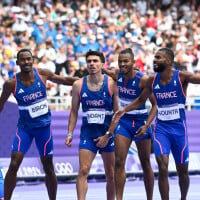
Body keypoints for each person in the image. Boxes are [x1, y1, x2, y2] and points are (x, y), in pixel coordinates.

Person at [113, 47, 198, 200]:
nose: (155, 60)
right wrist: (124, 110)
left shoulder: (182, 77)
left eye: (158, 58)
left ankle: (183, 197)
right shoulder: (152, 80)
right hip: (161, 129)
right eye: (154, 57)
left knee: (182, 171)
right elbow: (140, 100)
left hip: (179, 129)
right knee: (162, 165)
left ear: (169, 61)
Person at [0, 48, 78, 200]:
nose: (26, 62)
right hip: (25, 129)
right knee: (14, 163)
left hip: (43, 129)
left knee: (48, 166)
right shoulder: (11, 83)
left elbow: (64, 80)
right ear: (17, 62)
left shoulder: (42, 74)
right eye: (22, 59)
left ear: (32, 60)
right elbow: (1, 105)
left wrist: (84, 81)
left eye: (28, 59)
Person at [103, 48, 157, 200]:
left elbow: (154, 105)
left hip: (140, 123)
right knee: (119, 162)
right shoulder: (117, 75)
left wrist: (147, 125)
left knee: (145, 163)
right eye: (120, 61)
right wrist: (101, 66)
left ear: (133, 63)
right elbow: (107, 71)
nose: (122, 64)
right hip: (124, 122)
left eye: (125, 61)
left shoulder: (143, 80)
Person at [65, 50, 118, 200]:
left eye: (95, 61)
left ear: (102, 64)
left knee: (111, 174)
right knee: (83, 171)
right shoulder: (78, 85)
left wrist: (108, 135)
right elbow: (74, 112)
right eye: (89, 61)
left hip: (108, 134)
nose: (92, 64)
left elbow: (117, 113)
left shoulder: (112, 84)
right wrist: (70, 133)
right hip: (88, 134)